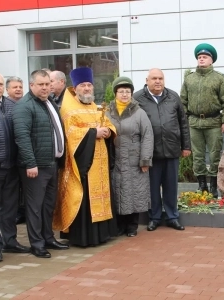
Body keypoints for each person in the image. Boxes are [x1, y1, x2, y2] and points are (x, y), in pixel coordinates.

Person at [53, 67, 117, 247]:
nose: (87, 88)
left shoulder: (96, 107)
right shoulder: (68, 109)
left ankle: (102, 234)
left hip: (101, 162)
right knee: (85, 198)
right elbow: (70, 133)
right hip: (82, 163)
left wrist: (108, 131)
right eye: (83, 85)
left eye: (89, 85)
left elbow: (108, 124)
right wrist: (93, 133)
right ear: (75, 88)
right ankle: (85, 237)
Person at [12, 70, 67, 258]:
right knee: (34, 207)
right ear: (32, 85)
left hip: (51, 163)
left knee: (48, 205)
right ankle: (37, 244)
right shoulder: (24, 107)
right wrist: (30, 163)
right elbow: (22, 137)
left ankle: (48, 237)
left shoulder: (49, 102)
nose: (45, 87)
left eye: (47, 84)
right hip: (35, 166)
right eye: (41, 84)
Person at [133, 68, 191, 231]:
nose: (158, 81)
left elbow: (183, 122)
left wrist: (186, 146)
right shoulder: (137, 98)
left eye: (160, 78)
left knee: (171, 185)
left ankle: (173, 216)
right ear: (147, 80)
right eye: (154, 78)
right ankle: (155, 217)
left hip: (172, 149)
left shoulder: (173, 96)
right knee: (152, 187)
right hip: (150, 152)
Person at [180, 43, 224, 198]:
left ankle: (214, 186)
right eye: (199, 57)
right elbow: (182, 101)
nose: (201, 59)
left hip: (213, 122)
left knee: (215, 155)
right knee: (197, 155)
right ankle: (202, 185)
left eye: (205, 57)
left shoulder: (219, 79)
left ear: (211, 60)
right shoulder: (189, 79)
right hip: (194, 123)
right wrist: (184, 121)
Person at [107, 76, 154, 237]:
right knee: (118, 191)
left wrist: (145, 159)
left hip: (134, 160)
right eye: (121, 91)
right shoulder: (108, 112)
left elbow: (148, 136)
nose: (125, 94)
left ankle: (132, 226)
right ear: (115, 93)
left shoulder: (139, 113)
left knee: (135, 193)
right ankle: (119, 225)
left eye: (128, 91)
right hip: (116, 160)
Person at [0, 73, 30, 262]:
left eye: (0, 84)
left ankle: (10, 241)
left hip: (11, 167)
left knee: (10, 207)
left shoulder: (12, 106)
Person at [5, 76, 26, 224]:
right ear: (7, 90)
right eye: (15, 87)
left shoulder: (25, 104)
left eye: (20, 86)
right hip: (10, 157)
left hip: (23, 157)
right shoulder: (6, 106)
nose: (18, 89)